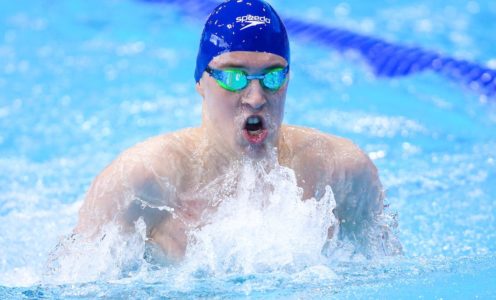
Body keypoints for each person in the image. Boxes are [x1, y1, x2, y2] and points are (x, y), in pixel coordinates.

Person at [74, 0, 387, 261]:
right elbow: (68, 283)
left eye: (272, 77)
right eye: (235, 77)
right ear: (201, 80)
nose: (255, 98)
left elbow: (385, 272)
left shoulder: (343, 172)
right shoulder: (143, 181)